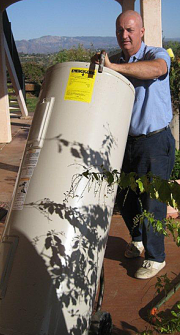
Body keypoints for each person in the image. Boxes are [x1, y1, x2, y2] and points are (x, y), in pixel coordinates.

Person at [93, 10, 175, 279]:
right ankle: (138, 239)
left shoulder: (157, 55)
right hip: (124, 142)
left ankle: (156, 257)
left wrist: (114, 68)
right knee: (125, 197)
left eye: (129, 30)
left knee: (152, 201)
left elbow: (156, 71)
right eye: (120, 31)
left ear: (141, 31)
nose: (124, 35)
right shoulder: (114, 61)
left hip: (154, 141)